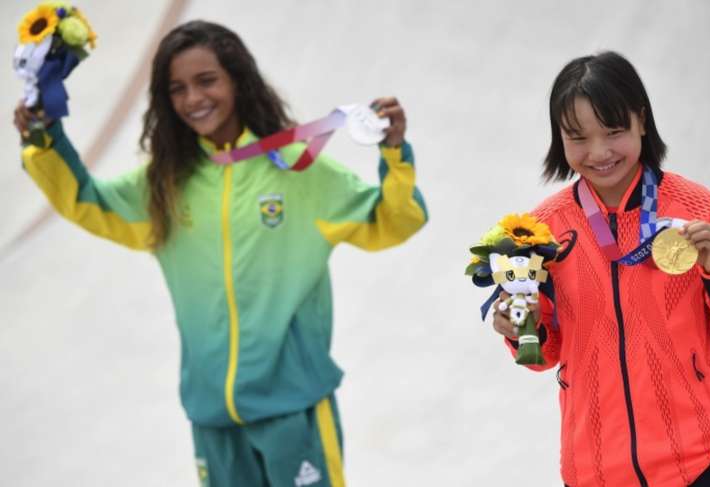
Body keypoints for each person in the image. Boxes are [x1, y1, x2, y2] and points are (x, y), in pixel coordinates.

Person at [14, 20, 427, 487]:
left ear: (237, 80)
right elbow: (87, 202)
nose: (193, 99)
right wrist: (44, 138)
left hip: (293, 409)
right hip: (212, 416)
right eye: (177, 88)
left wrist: (394, 153)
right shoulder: (164, 187)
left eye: (206, 80)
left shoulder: (298, 169)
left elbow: (395, 222)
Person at [491, 51, 710, 487]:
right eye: (578, 137)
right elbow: (543, 355)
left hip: (700, 463)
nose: (599, 152)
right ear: (559, 138)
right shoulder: (542, 231)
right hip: (594, 471)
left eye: (614, 131)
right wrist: (518, 328)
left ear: (642, 120)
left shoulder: (699, 212)